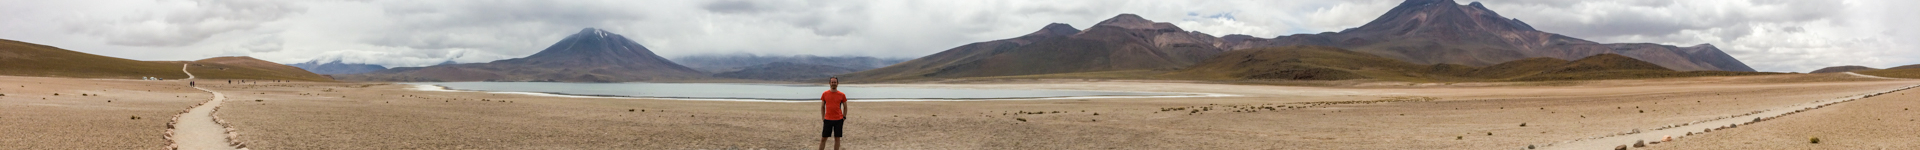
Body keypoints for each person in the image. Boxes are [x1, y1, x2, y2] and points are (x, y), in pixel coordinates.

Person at [819, 77, 848, 150]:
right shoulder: (825, 94)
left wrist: (844, 117)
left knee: (837, 139)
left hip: (838, 119)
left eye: (835, 82)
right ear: (829, 83)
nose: (833, 84)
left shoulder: (842, 95)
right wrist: (823, 117)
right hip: (828, 119)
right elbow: (822, 106)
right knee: (823, 138)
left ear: (837, 83)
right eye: (832, 82)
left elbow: (845, 106)